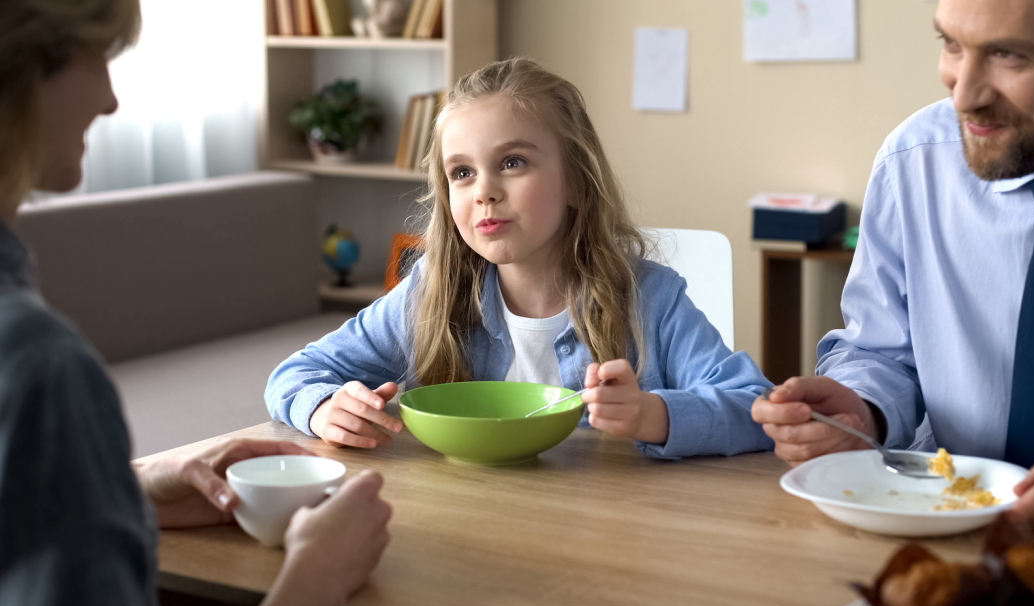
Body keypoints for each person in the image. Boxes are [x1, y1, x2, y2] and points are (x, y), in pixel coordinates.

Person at [0, 1, 392, 606]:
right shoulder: (41, 370)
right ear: (20, 74)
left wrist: (135, 490)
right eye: (95, 58)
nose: (110, 101)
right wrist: (318, 575)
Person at [753, 0, 1034, 543]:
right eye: (952, 45)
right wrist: (865, 408)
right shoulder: (913, 162)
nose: (963, 96)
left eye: (1008, 56)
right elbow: (879, 351)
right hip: (940, 535)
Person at [266, 58, 774, 459]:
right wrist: (324, 408)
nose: (484, 191)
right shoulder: (431, 293)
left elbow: (756, 408)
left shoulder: (652, 299)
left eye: (512, 163)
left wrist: (651, 414)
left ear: (575, 180)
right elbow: (296, 374)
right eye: (462, 173)